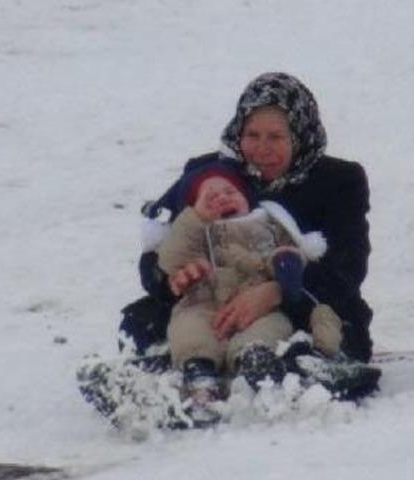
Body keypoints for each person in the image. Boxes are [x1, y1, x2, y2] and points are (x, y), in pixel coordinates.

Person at [122, 71, 375, 370]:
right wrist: (174, 279)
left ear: (299, 135)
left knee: (336, 330)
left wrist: (277, 292)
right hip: (213, 302)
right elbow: (158, 247)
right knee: (140, 321)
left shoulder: (339, 181)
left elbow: (347, 268)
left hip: (300, 305)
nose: (261, 149)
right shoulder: (210, 174)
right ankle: (186, 368)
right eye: (252, 135)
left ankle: (297, 367)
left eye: (276, 137)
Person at [154, 160, 339, 424]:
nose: (221, 199)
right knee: (189, 328)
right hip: (205, 302)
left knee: (269, 326)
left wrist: (286, 261)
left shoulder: (266, 222)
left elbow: (290, 248)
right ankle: (199, 372)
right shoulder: (195, 231)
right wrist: (195, 219)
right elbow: (170, 258)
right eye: (210, 197)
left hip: (258, 301)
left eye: (230, 192)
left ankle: (254, 364)